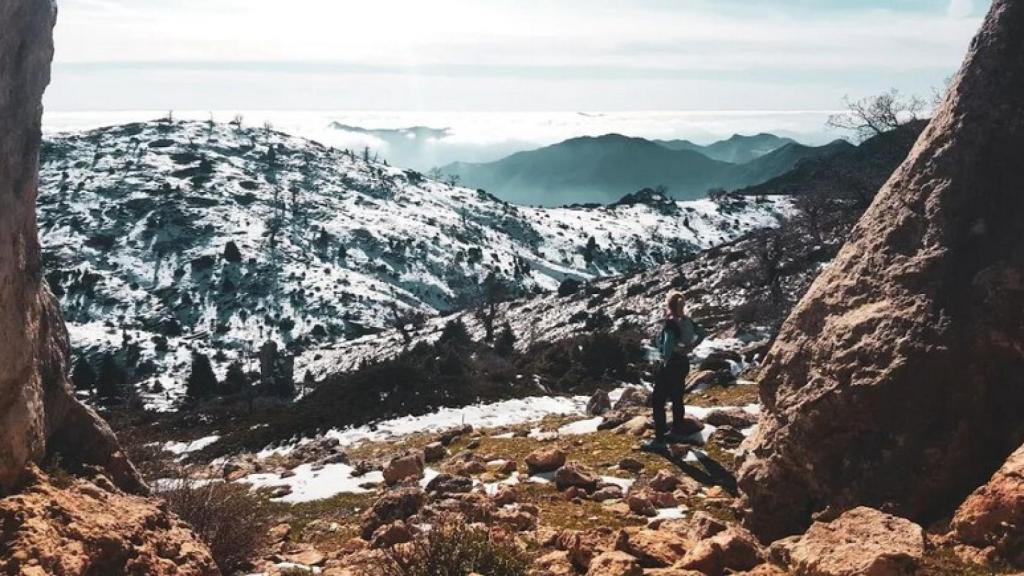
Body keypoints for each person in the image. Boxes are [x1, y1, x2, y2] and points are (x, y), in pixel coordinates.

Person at [643, 291, 706, 452]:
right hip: (683, 363)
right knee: (677, 397)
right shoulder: (688, 321)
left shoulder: (670, 323)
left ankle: (659, 439)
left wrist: (664, 359)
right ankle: (677, 430)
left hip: (671, 364)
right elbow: (702, 333)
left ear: (669, 306)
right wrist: (690, 347)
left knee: (658, 400)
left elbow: (667, 346)